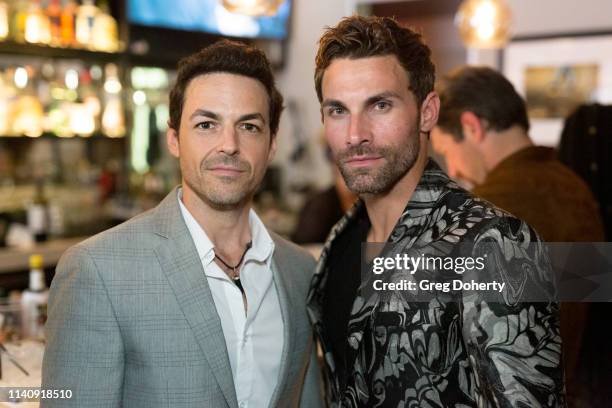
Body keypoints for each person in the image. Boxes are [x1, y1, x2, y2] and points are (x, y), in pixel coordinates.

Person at [42, 40, 322, 408]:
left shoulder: (301, 272)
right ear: (174, 138)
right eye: (207, 124)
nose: (229, 145)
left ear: (271, 144)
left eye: (249, 126)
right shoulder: (98, 271)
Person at [306, 16, 564, 407]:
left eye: (380, 105)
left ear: (427, 112)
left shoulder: (495, 244)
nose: (356, 134)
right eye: (338, 110)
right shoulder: (339, 242)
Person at [431, 66, 605, 407]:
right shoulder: (576, 189)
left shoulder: (487, 209)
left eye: (448, 150)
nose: (453, 170)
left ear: (471, 126)